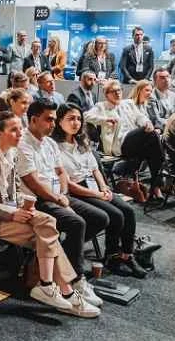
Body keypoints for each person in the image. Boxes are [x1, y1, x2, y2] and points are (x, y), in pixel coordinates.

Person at [0, 110, 99, 315]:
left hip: (7, 212)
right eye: (14, 130)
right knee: (48, 234)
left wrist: (26, 204)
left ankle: (50, 286)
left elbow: (15, 192)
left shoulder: (12, 154)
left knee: (47, 224)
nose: (20, 133)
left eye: (20, 129)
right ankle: (64, 290)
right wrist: (12, 213)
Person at [16, 99, 102, 285]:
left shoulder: (50, 143)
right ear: (33, 120)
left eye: (54, 120)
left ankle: (59, 256)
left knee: (100, 218)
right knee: (77, 223)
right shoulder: (23, 144)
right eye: (49, 119)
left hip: (58, 196)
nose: (53, 124)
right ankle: (75, 278)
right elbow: (33, 183)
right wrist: (58, 199)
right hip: (37, 200)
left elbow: (61, 172)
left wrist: (63, 195)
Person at [53, 103, 143, 277]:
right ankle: (112, 256)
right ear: (59, 121)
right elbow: (68, 183)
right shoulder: (55, 146)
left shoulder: (82, 141)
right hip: (77, 190)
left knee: (128, 211)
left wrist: (104, 187)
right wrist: (97, 194)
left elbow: (95, 169)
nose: (76, 123)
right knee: (115, 215)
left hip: (94, 185)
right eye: (71, 119)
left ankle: (127, 255)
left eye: (78, 119)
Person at [85, 81, 164, 201]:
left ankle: (155, 186)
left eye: (119, 90)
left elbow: (140, 117)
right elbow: (86, 116)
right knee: (152, 136)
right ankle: (156, 187)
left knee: (154, 150)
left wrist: (147, 122)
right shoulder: (101, 106)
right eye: (113, 91)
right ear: (106, 94)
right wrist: (105, 119)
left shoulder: (128, 103)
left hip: (134, 144)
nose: (117, 93)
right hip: (119, 145)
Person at [146, 67, 175, 132]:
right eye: (162, 78)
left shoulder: (173, 95)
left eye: (168, 77)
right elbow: (156, 120)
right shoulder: (150, 96)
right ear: (155, 81)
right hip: (161, 129)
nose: (166, 80)